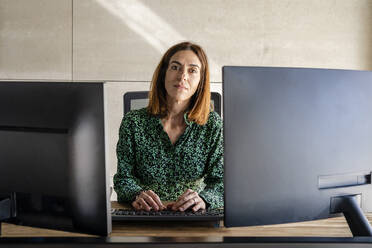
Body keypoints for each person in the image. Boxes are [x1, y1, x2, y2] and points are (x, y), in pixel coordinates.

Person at [113, 41, 223, 212]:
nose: (182, 76)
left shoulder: (213, 125)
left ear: (201, 80)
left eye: (192, 70)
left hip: (194, 217)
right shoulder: (133, 122)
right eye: (175, 67)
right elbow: (123, 179)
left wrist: (204, 200)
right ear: (164, 73)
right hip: (146, 216)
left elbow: (221, 182)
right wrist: (136, 194)